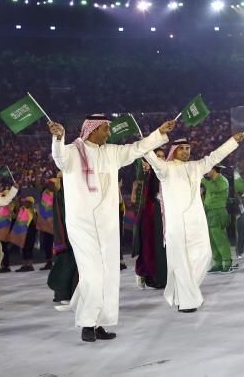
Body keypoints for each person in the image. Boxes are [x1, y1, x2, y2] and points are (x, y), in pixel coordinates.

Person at [49, 114, 174, 341]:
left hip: (107, 224)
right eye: (106, 129)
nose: (109, 133)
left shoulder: (112, 152)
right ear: (93, 130)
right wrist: (58, 138)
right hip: (82, 224)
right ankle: (87, 324)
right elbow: (59, 158)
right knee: (93, 274)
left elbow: (137, 148)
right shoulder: (73, 151)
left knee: (108, 275)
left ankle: (100, 323)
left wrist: (160, 132)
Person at [144, 133, 244, 312]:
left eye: (188, 149)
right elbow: (150, 156)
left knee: (204, 256)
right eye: (181, 149)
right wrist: (148, 141)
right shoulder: (165, 169)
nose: (185, 152)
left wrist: (232, 142)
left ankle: (185, 291)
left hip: (196, 221)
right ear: (174, 151)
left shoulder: (196, 167)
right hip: (177, 223)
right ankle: (187, 301)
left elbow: (215, 156)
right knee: (181, 261)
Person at [133, 147, 168, 289]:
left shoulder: (167, 171)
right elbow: (137, 197)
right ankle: (148, 275)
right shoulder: (147, 174)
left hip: (165, 215)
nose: (160, 158)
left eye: (162, 156)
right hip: (150, 217)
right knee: (149, 247)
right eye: (157, 156)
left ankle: (162, 277)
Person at [46, 171, 78, 303]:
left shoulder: (74, 192)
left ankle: (71, 293)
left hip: (75, 234)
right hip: (63, 236)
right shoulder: (57, 195)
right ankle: (62, 294)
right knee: (64, 263)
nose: (58, 180)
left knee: (74, 265)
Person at [203, 163, 233, 273]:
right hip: (210, 213)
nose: (206, 171)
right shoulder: (211, 182)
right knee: (212, 240)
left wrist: (202, 180)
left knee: (220, 239)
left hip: (218, 213)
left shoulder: (222, 181)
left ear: (214, 169)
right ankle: (218, 263)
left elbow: (214, 189)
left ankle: (227, 262)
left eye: (208, 169)